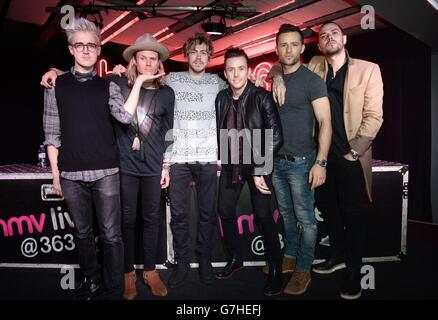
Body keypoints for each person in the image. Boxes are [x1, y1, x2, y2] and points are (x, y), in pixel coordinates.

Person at [270, 21, 384, 300]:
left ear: (344, 38)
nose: (329, 37)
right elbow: (283, 63)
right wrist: (277, 77)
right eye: (323, 36)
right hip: (320, 155)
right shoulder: (315, 66)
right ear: (319, 45)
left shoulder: (368, 69)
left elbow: (374, 117)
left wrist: (354, 151)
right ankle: (338, 254)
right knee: (329, 209)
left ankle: (354, 272)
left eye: (334, 32)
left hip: (350, 156)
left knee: (353, 215)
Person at [43, 17, 135, 300]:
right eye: (79, 45)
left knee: (111, 235)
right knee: (83, 234)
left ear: (98, 49)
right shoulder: (55, 85)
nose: (85, 50)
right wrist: (56, 176)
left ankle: (114, 287)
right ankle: (91, 281)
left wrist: (136, 78)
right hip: (70, 175)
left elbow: (125, 116)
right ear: (71, 49)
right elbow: (51, 132)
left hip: (107, 171)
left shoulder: (109, 86)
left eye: (91, 45)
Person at [262, 24, 331, 295]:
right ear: (277, 49)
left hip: (302, 161)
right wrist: (275, 76)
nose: (288, 49)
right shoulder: (274, 76)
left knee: (306, 219)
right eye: (283, 44)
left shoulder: (312, 80)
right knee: (288, 215)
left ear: (303, 48)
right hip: (276, 161)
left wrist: (321, 161)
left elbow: (326, 122)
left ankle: (304, 269)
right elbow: (275, 72)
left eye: (294, 44)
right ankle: (289, 257)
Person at [215, 47, 284, 296]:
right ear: (225, 73)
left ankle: (275, 269)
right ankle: (236, 259)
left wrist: (258, 169)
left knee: (265, 217)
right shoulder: (221, 98)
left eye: (241, 69)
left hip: (258, 165)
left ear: (248, 70)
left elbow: (277, 137)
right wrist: (222, 156)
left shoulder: (261, 97)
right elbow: (221, 129)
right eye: (231, 69)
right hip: (232, 165)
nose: (236, 74)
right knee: (224, 210)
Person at [110, 34, 174, 299]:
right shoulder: (118, 84)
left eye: (153, 59)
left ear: (159, 62)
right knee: (126, 221)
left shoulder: (167, 93)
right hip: (125, 166)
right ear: (134, 60)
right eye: (143, 58)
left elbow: (170, 131)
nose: (148, 63)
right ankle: (127, 275)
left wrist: (167, 165)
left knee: (151, 220)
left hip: (153, 167)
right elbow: (123, 116)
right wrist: (56, 70)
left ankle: (150, 271)